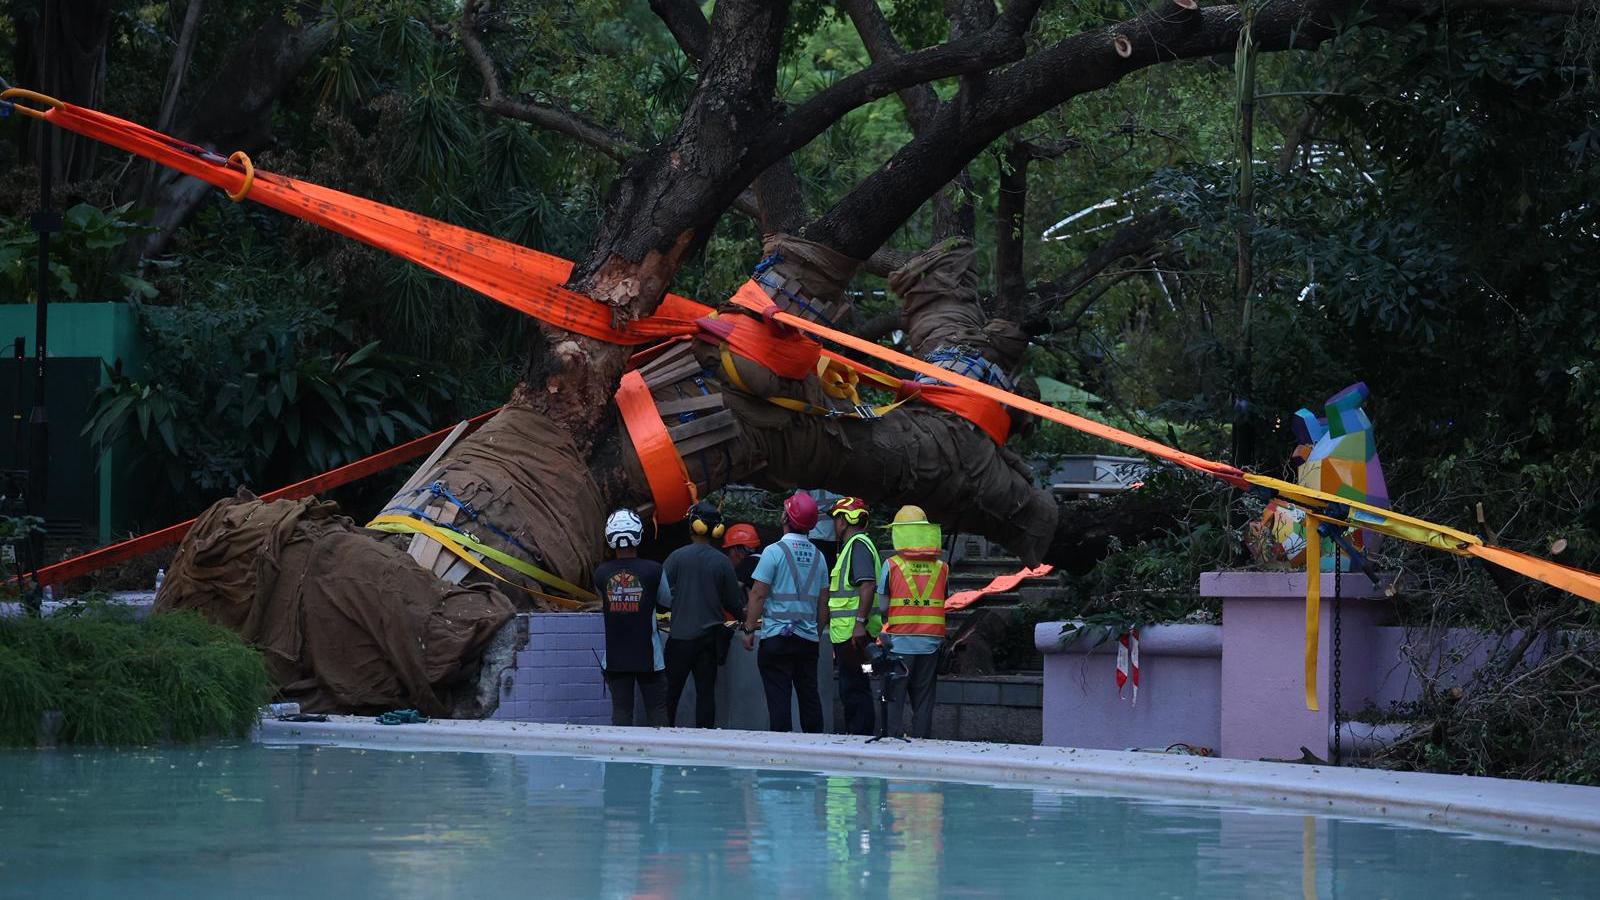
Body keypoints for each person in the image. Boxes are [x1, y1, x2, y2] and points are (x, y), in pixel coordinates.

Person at [741, 491, 829, 733]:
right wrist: (816, 634)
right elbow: (824, 604)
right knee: (809, 697)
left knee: (779, 700)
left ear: (786, 518)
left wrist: (748, 629)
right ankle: (816, 749)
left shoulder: (773, 552)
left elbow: (758, 594)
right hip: (807, 641)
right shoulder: (819, 557)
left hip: (777, 639)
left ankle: (781, 760)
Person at [662, 500, 746, 727]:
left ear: (693, 526)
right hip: (709, 641)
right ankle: (704, 742)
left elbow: (661, 597)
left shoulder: (676, 558)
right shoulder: (722, 562)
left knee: (670, 695)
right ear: (717, 530)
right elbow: (733, 602)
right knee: (706, 696)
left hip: (679, 638)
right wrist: (746, 622)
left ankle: (662, 738)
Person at [875, 505, 949, 740]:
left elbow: (884, 607)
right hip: (931, 643)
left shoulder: (892, 565)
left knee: (895, 695)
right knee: (924, 698)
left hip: (901, 643)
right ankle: (922, 742)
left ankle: (893, 739)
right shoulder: (942, 567)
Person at [594, 509, 670, 727]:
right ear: (638, 534)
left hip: (615, 657)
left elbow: (604, 601)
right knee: (657, 710)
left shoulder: (601, 573)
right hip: (650, 657)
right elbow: (666, 600)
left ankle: (618, 759)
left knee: (621, 712)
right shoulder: (654, 570)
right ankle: (660, 759)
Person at [826, 497, 881, 736]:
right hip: (853, 637)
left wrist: (859, 624)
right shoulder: (858, 545)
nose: (834, 525)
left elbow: (867, 585)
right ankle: (861, 731)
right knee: (860, 682)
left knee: (854, 686)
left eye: (836, 518)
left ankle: (859, 735)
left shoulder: (857, 546)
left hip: (854, 637)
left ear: (844, 520)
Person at [723, 523, 762, 594]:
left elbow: (730, 591)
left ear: (737, 549)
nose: (729, 556)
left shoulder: (748, 563)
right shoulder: (762, 559)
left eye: (729, 551)